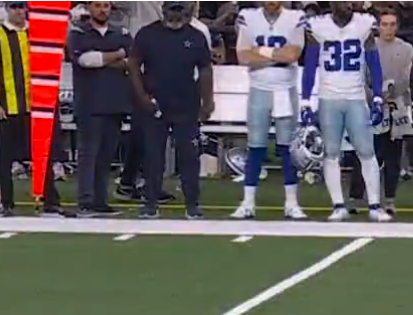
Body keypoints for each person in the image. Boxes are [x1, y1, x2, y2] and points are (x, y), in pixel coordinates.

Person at [301, 0, 388, 220]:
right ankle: (338, 205)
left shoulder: (364, 23)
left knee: (366, 151)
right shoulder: (317, 26)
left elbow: (374, 63)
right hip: (329, 97)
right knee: (331, 153)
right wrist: (305, 100)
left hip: (356, 97)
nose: (348, 4)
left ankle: (375, 206)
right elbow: (310, 65)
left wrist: (377, 96)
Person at [129, 1, 213, 219]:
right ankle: (150, 203)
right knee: (153, 157)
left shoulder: (196, 36)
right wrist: (142, 96)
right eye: (172, 10)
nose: (175, 15)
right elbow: (134, 65)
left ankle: (193, 204)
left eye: (180, 10)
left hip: (186, 105)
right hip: (155, 105)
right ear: (163, 11)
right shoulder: (147, 34)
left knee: (189, 156)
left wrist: (208, 101)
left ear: (186, 12)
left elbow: (205, 69)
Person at [231, 0, 307, 219]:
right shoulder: (248, 16)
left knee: (287, 149)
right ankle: (247, 202)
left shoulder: (295, 17)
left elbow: (292, 55)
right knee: (255, 146)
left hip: (285, 89)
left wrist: (261, 52)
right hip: (259, 88)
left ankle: (291, 203)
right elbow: (243, 56)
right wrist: (277, 56)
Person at [69, 0, 133, 217]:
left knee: (106, 156)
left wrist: (102, 58)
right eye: (97, 5)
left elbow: (133, 61)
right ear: (89, 8)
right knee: (88, 155)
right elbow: (85, 60)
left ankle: (100, 200)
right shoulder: (79, 32)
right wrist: (116, 55)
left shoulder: (121, 32)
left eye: (105, 5)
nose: (102, 9)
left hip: (115, 103)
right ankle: (85, 201)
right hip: (89, 103)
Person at [346, 9, 411, 214]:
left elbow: (407, 78)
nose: (388, 29)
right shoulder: (367, 47)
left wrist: (391, 92)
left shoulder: (406, 49)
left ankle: (389, 199)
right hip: (370, 106)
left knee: (393, 156)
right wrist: (375, 96)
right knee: (365, 152)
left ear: (397, 26)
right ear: (378, 26)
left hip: (397, 107)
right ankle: (356, 197)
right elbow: (361, 76)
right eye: (385, 24)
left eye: (392, 24)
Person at [0, 1, 33, 216]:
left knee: (43, 156)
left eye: (22, 7)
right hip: (7, 104)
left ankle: (49, 200)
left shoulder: (35, 32)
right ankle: (6, 203)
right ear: (6, 9)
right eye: (14, 7)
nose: (19, 11)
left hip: (33, 104)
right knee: (4, 158)